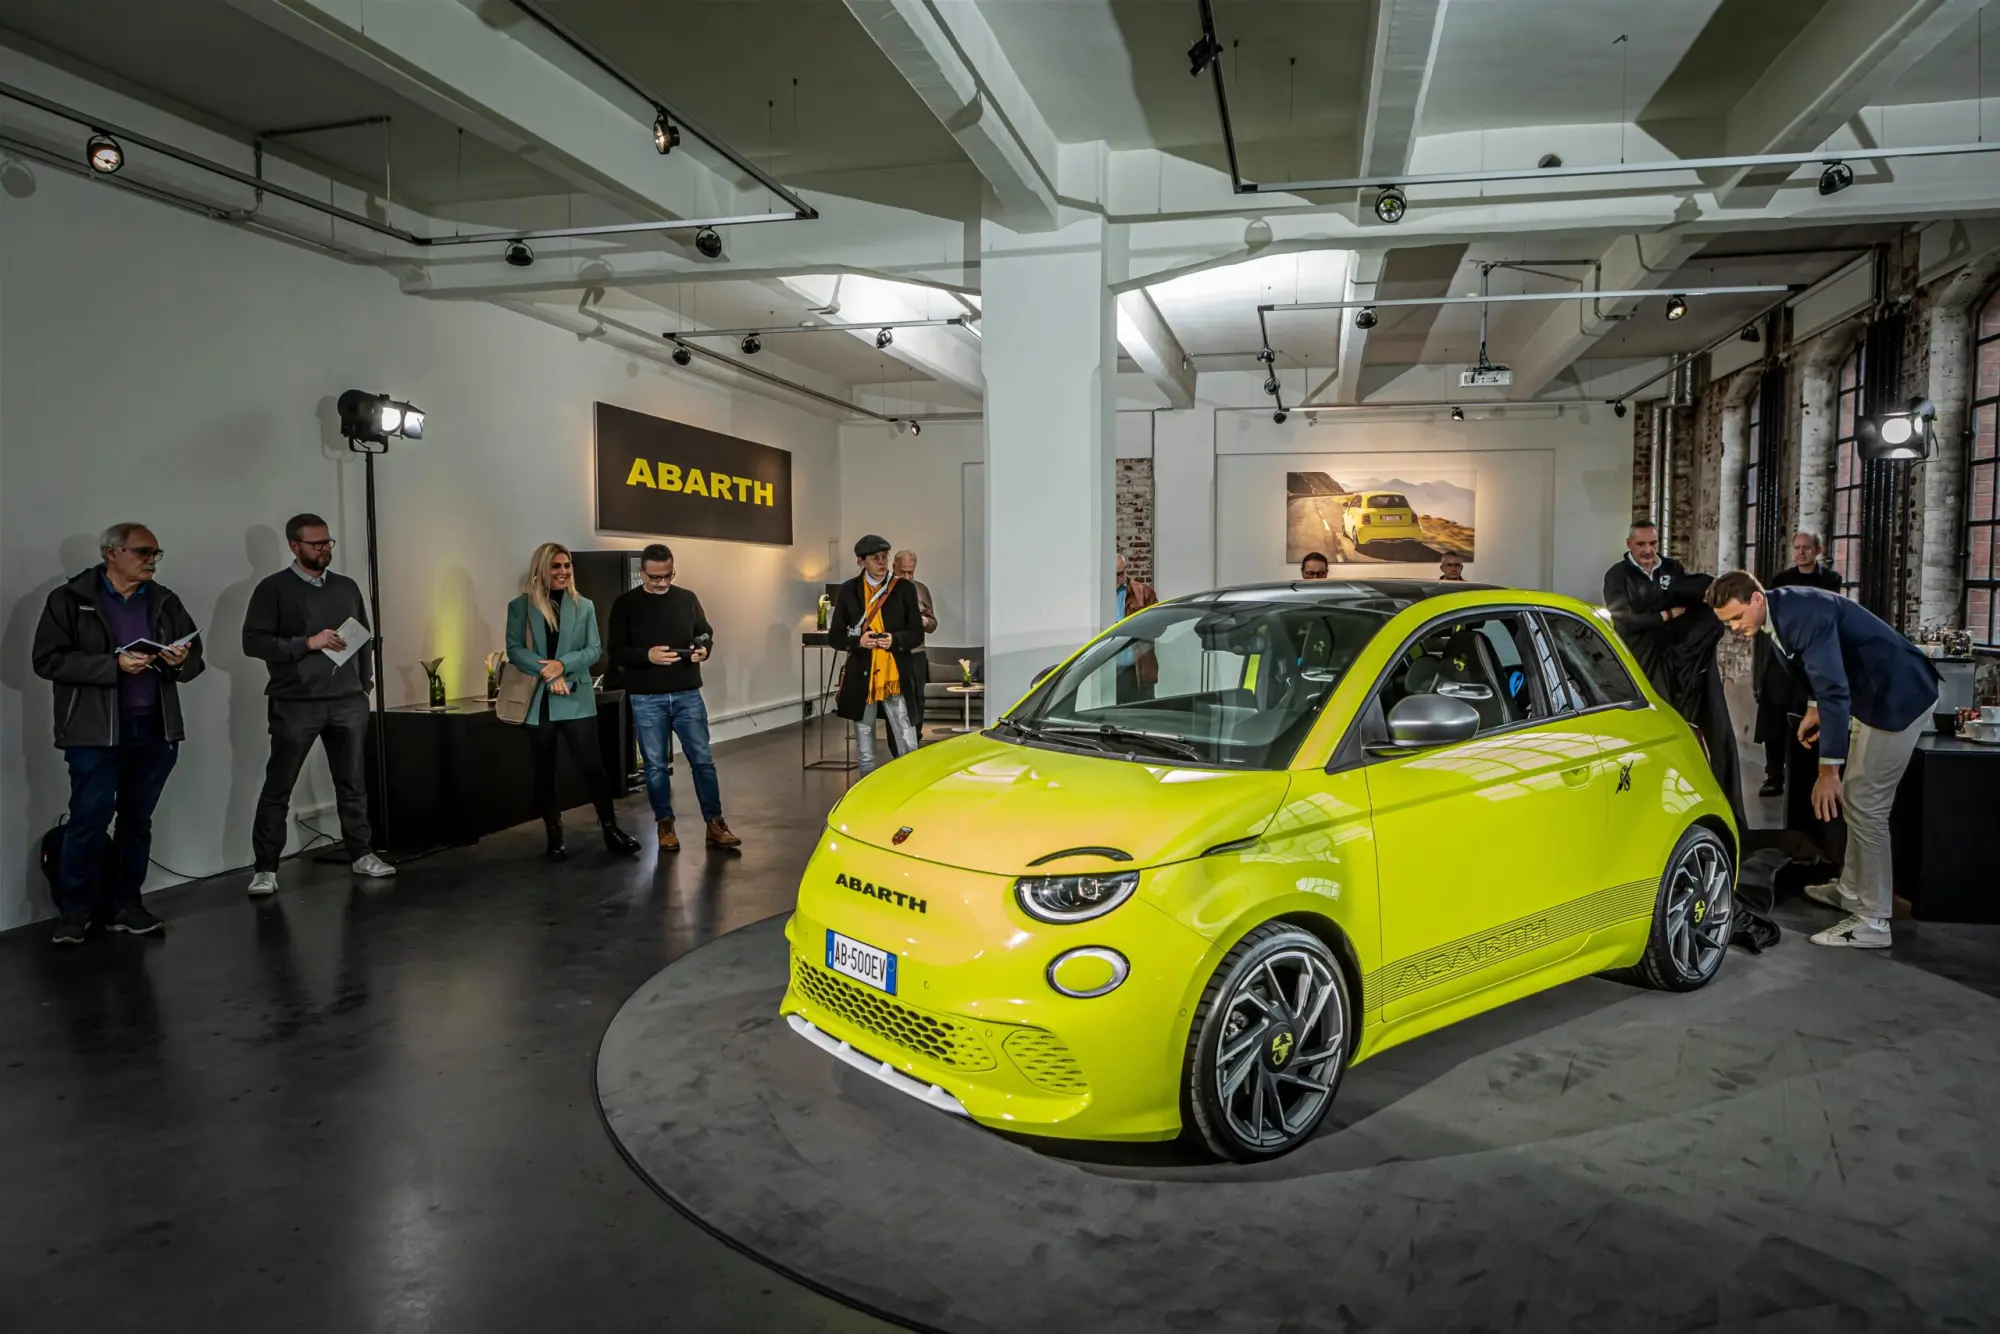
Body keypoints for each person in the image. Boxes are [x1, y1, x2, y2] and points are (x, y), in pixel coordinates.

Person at [1708, 571, 1941, 948]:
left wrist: (1827, 770)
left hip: (1898, 698)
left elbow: (1834, 690)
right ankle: (1851, 889)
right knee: (1857, 797)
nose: (1734, 628)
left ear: (1755, 598)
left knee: (1867, 805)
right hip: (1870, 696)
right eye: (1726, 623)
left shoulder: (1801, 616)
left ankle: (1873, 920)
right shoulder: (1779, 611)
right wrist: (1813, 708)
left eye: (1736, 618)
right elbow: (1819, 668)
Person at [32, 524, 205, 944]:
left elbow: (196, 660)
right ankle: (76, 911)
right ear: (112, 552)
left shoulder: (165, 601)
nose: (151, 560)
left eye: (156, 553)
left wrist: (179, 660)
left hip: (154, 726)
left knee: (137, 821)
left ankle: (127, 905)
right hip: (94, 731)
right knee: (88, 820)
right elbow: (48, 661)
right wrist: (112, 667)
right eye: (144, 551)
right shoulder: (70, 600)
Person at [242, 513, 396, 895]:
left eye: (328, 543)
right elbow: (253, 642)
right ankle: (265, 868)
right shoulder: (273, 589)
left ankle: (361, 852)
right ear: (294, 546)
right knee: (280, 785)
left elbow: (362, 637)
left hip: (347, 701)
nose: (325, 549)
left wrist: (365, 685)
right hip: (296, 703)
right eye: (316, 544)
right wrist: (306, 643)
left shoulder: (345, 587)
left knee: (353, 783)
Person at [1603, 522, 1744, 833]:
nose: (1648, 550)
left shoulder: (1672, 568)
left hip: (1680, 662)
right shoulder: (1617, 575)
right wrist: (1664, 616)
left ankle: (1705, 800)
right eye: (1641, 544)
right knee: (1651, 736)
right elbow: (1622, 621)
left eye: (1653, 543)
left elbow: (1700, 594)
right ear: (1629, 543)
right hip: (1640, 666)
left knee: (1698, 729)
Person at [505, 543, 641, 862]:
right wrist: (549, 673)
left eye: (567, 566)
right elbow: (514, 650)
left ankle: (611, 829)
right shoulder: (520, 606)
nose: (563, 572)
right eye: (556, 567)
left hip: (575, 696)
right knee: (544, 771)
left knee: (592, 767)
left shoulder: (584, 606)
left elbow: (594, 649)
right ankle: (555, 837)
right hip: (539, 700)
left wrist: (562, 666)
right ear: (541, 570)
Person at [607, 543, 740, 853]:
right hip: (646, 696)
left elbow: (705, 632)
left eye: (668, 576)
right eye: (655, 578)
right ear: (642, 572)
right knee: (655, 766)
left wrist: (703, 649)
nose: (662, 583)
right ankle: (664, 824)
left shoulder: (687, 599)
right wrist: (647, 656)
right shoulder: (626, 604)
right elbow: (615, 651)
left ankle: (715, 822)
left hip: (686, 692)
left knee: (702, 760)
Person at [1751, 533, 1842, 796]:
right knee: (1775, 715)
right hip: (1783, 655)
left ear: (1818, 550)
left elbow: (1825, 615)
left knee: (1810, 715)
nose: (1801, 553)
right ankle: (1774, 776)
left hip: (1812, 656)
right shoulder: (1782, 580)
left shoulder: (1830, 580)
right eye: (1797, 548)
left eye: (1806, 548)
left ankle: (1807, 775)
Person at [829, 535, 924, 775]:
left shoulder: (903, 588)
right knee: (864, 746)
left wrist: (895, 640)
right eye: (875, 558)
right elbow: (835, 636)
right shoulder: (849, 590)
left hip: (895, 674)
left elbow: (916, 633)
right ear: (861, 561)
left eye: (884, 557)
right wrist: (858, 641)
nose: (882, 563)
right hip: (863, 676)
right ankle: (866, 798)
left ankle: (910, 794)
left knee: (908, 742)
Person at [893, 549, 938, 734]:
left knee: (918, 697)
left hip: (917, 652)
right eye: (902, 571)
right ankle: (898, 741)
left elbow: (933, 623)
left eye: (910, 572)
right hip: (893, 652)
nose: (906, 576)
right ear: (893, 567)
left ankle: (916, 736)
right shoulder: (885, 591)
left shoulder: (921, 589)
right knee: (895, 698)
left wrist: (925, 621)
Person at [1114, 553, 1159, 702]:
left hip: (1139, 669)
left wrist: (1135, 627)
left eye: (1120, 573)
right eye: (1114, 574)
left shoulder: (1144, 593)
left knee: (1143, 714)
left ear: (1126, 571)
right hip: (1108, 671)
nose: (1118, 578)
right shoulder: (1098, 596)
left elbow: (1160, 627)